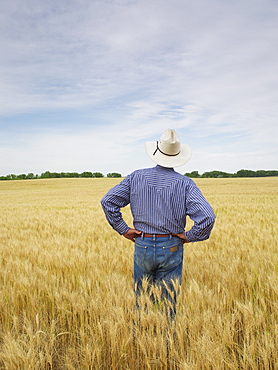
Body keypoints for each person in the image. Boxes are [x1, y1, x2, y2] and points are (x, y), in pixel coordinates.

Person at [100, 129, 215, 319]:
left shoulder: (136, 177)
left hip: (142, 244)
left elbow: (108, 201)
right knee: (168, 301)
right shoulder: (185, 184)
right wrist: (189, 236)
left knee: (142, 300)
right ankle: (166, 340)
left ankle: (142, 336)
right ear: (177, 155)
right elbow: (207, 217)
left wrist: (124, 229)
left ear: (157, 152)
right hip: (171, 246)